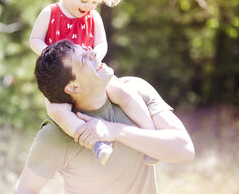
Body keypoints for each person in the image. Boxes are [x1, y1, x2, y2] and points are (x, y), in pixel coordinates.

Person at [15, 40, 195, 194]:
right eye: (83, 58)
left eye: (86, 48)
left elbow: (185, 150)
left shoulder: (136, 90)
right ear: (73, 87)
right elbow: (25, 190)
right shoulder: (55, 135)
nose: (93, 53)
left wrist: (114, 131)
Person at [29, 0, 157, 165]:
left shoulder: (93, 17)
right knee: (57, 110)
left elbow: (101, 44)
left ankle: (150, 137)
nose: (89, 6)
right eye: (84, 0)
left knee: (123, 92)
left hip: (92, 70)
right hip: (61, 77)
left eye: (95, 2)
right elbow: (34, 39)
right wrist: (49, 53)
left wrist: (96, 54)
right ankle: (96, 143)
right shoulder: (50, 13)